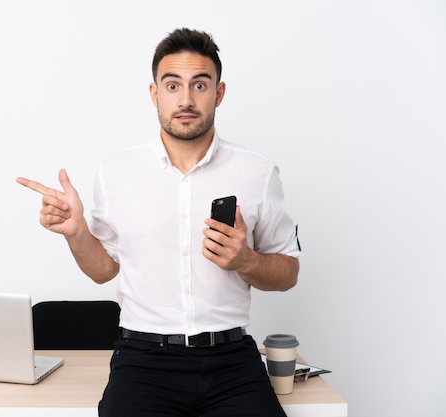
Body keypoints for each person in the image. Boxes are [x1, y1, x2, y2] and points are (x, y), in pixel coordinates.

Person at [17, 28, 301, 417]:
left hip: (232, 362)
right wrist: (77, 233)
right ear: (155, 94)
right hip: (144, 362)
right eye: (172, 85)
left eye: (199, 85)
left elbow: (288, 271)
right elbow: (104, 271)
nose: (185, 99)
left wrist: (245, 261)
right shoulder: (116, 171)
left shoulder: (258, 172)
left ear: (219, 93)